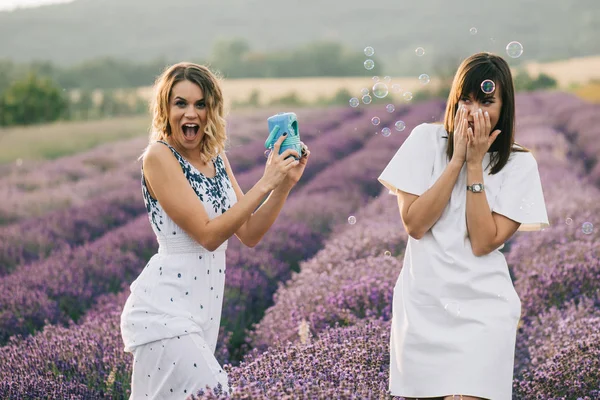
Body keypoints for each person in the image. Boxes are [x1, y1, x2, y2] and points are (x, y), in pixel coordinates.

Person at [120, 62, 310, 399]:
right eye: (180, 103)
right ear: (165, 108)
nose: (190, 113)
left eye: (200, 104)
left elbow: (249, 233)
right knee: (219, 393)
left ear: (212, 110)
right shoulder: (159, 156)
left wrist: (283, 186)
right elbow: (208, 236)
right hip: (164, 312)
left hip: (203, 312)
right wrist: (265, 181)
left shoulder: (215, 156)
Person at [378, 52, 549, 400]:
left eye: (486, 101)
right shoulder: (425, 142)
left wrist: (474, 166)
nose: (473, 111)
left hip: (484, 309)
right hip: (424, 305)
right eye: (465, 100)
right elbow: (415, 224)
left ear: (505, 106)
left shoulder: (519, 164)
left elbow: (483, 242)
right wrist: (456, 160)